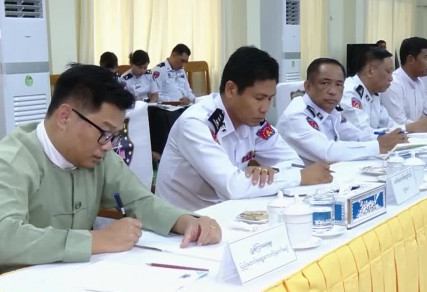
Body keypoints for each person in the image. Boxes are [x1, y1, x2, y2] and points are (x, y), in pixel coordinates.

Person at [0, 64, 221, 292]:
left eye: (115, 135)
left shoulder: (96, 155)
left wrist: (185, 220)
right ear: (65, 117)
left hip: (58, 290)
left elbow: (139, 200)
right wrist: (97, 240)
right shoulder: (9, 162)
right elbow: (2, 241)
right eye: (105, 133)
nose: (109, 146)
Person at [156, 46, 333, 211]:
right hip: (183, 223)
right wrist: (299, 177)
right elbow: (233, 187)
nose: (265, 108)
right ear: (231, 89)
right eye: (259, 98)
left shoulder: (254, 121)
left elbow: (293, 162)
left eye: (270, 98)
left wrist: (270, 173)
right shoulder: (196, 124)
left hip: (229, 213)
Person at [278, 58, 403, 164]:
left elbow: (356, 136)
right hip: (301, 182)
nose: (333, 91)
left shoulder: (330, 110)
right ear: (308, 86)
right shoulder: (296, 116)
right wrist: (378, 146)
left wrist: (386, 139)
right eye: (325, 83)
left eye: (338, 84)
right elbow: (327, 153)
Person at [340, 47, 406, 140]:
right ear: (370, 71)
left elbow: (389, 124)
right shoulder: (349, 92)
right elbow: (362, 134)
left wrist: (409, 128)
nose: (391, 78)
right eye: (388, 72)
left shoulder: (373, 93)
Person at [381, 37, 427, 131]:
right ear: (411, 59)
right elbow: (398, 123)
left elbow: (426, 114)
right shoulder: (393, 83)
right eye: (426, 57)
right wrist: (423, 125)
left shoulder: (420, 82)